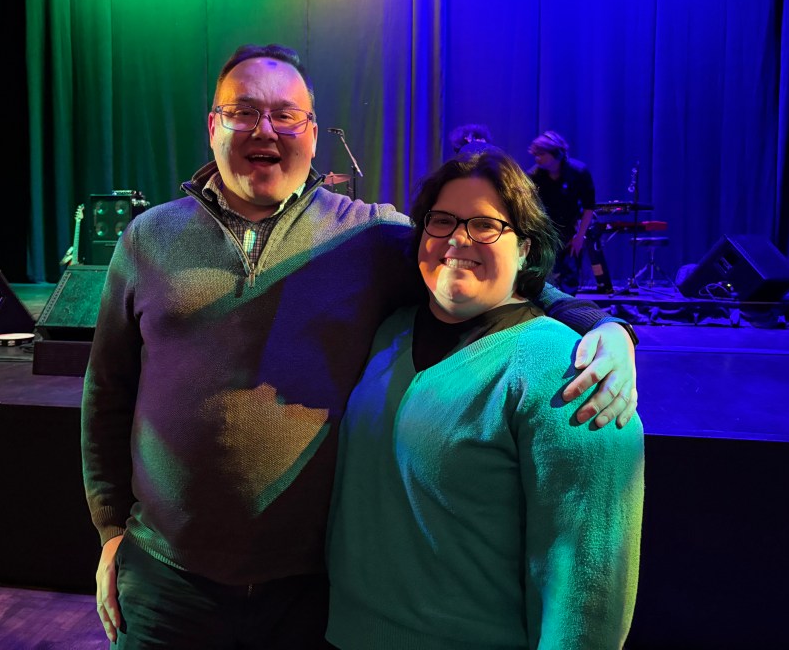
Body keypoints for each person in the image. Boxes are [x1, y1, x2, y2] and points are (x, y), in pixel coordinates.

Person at [81, 44, 640, 648]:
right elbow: (107, 394)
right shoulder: (149, 239)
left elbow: (476, 260)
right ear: (213, 127)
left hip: (311, 593)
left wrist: (604, 326)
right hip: (166, 583)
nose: (265, 129)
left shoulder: (369, 236)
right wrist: (113, 531)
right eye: (243, 112)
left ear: (313, 134)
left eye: (285, 115)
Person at [326, 148, 644, 649]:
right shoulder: (390, 331)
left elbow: (587, 593)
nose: (458, 239)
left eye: (485, 226)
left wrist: (608, 326)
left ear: (525, 248)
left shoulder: (570, 371)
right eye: (443, 221)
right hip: (343, 634)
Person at [528, 130, 597, 295]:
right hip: (544, 230)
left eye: (541, 154)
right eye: (535, 155)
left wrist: (579, 237)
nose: (537, 159)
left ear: (557, 154)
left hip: (570, 230)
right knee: (541, 275)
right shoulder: (535, 175)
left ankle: (567, 311)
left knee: (570, 277)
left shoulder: (579, 172)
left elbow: (589, 206)